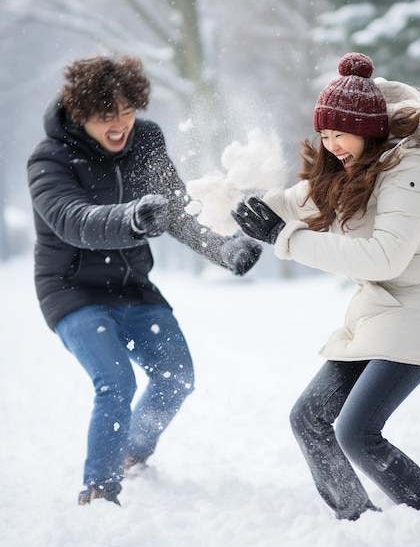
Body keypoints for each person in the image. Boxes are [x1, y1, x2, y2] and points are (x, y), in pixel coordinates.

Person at [232, 52, 420, 520]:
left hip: (419, 311)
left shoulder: (409, 171)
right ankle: (357, 519)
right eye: (325, 134)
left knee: (357, 431)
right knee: (308, 418)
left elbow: (384, 257)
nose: (332, 144)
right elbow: (289, 203)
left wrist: (284, 239)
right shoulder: (344, 168)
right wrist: (233, 213)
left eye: (340, 133)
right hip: (379, 312)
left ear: (368, 128)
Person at [27, 54, 262, 506]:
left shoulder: (146, 141)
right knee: (115, 381)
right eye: (106, 115)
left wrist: (223, 248)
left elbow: (176, 209)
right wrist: (131, 218)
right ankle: (99, 489)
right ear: (80, 114)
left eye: (127, 111)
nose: (120, 125)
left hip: (133, 283)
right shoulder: (50, 159)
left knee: (177, 378)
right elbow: (72, 219)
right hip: (71, 290)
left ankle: (130, 452)